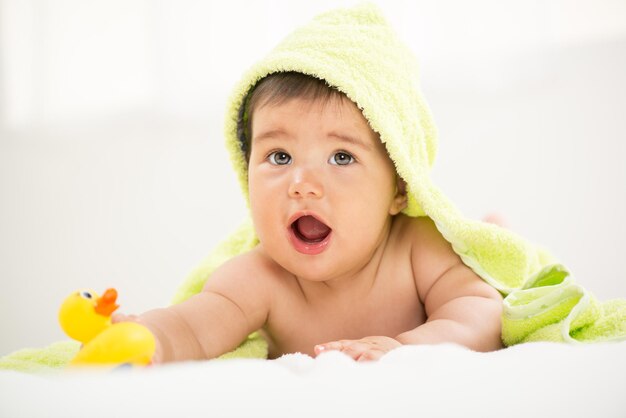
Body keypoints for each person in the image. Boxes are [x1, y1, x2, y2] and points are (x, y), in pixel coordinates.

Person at [115, 70, 503, 363]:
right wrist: (149, 339)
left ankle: (494, 230)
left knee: (490, 267)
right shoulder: (258, 278)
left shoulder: (416, 248)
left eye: (341, 157)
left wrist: (404, 347)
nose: (303, 184)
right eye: (280, 156)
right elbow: (193, 326)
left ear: (399, 189)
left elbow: (482, 314)